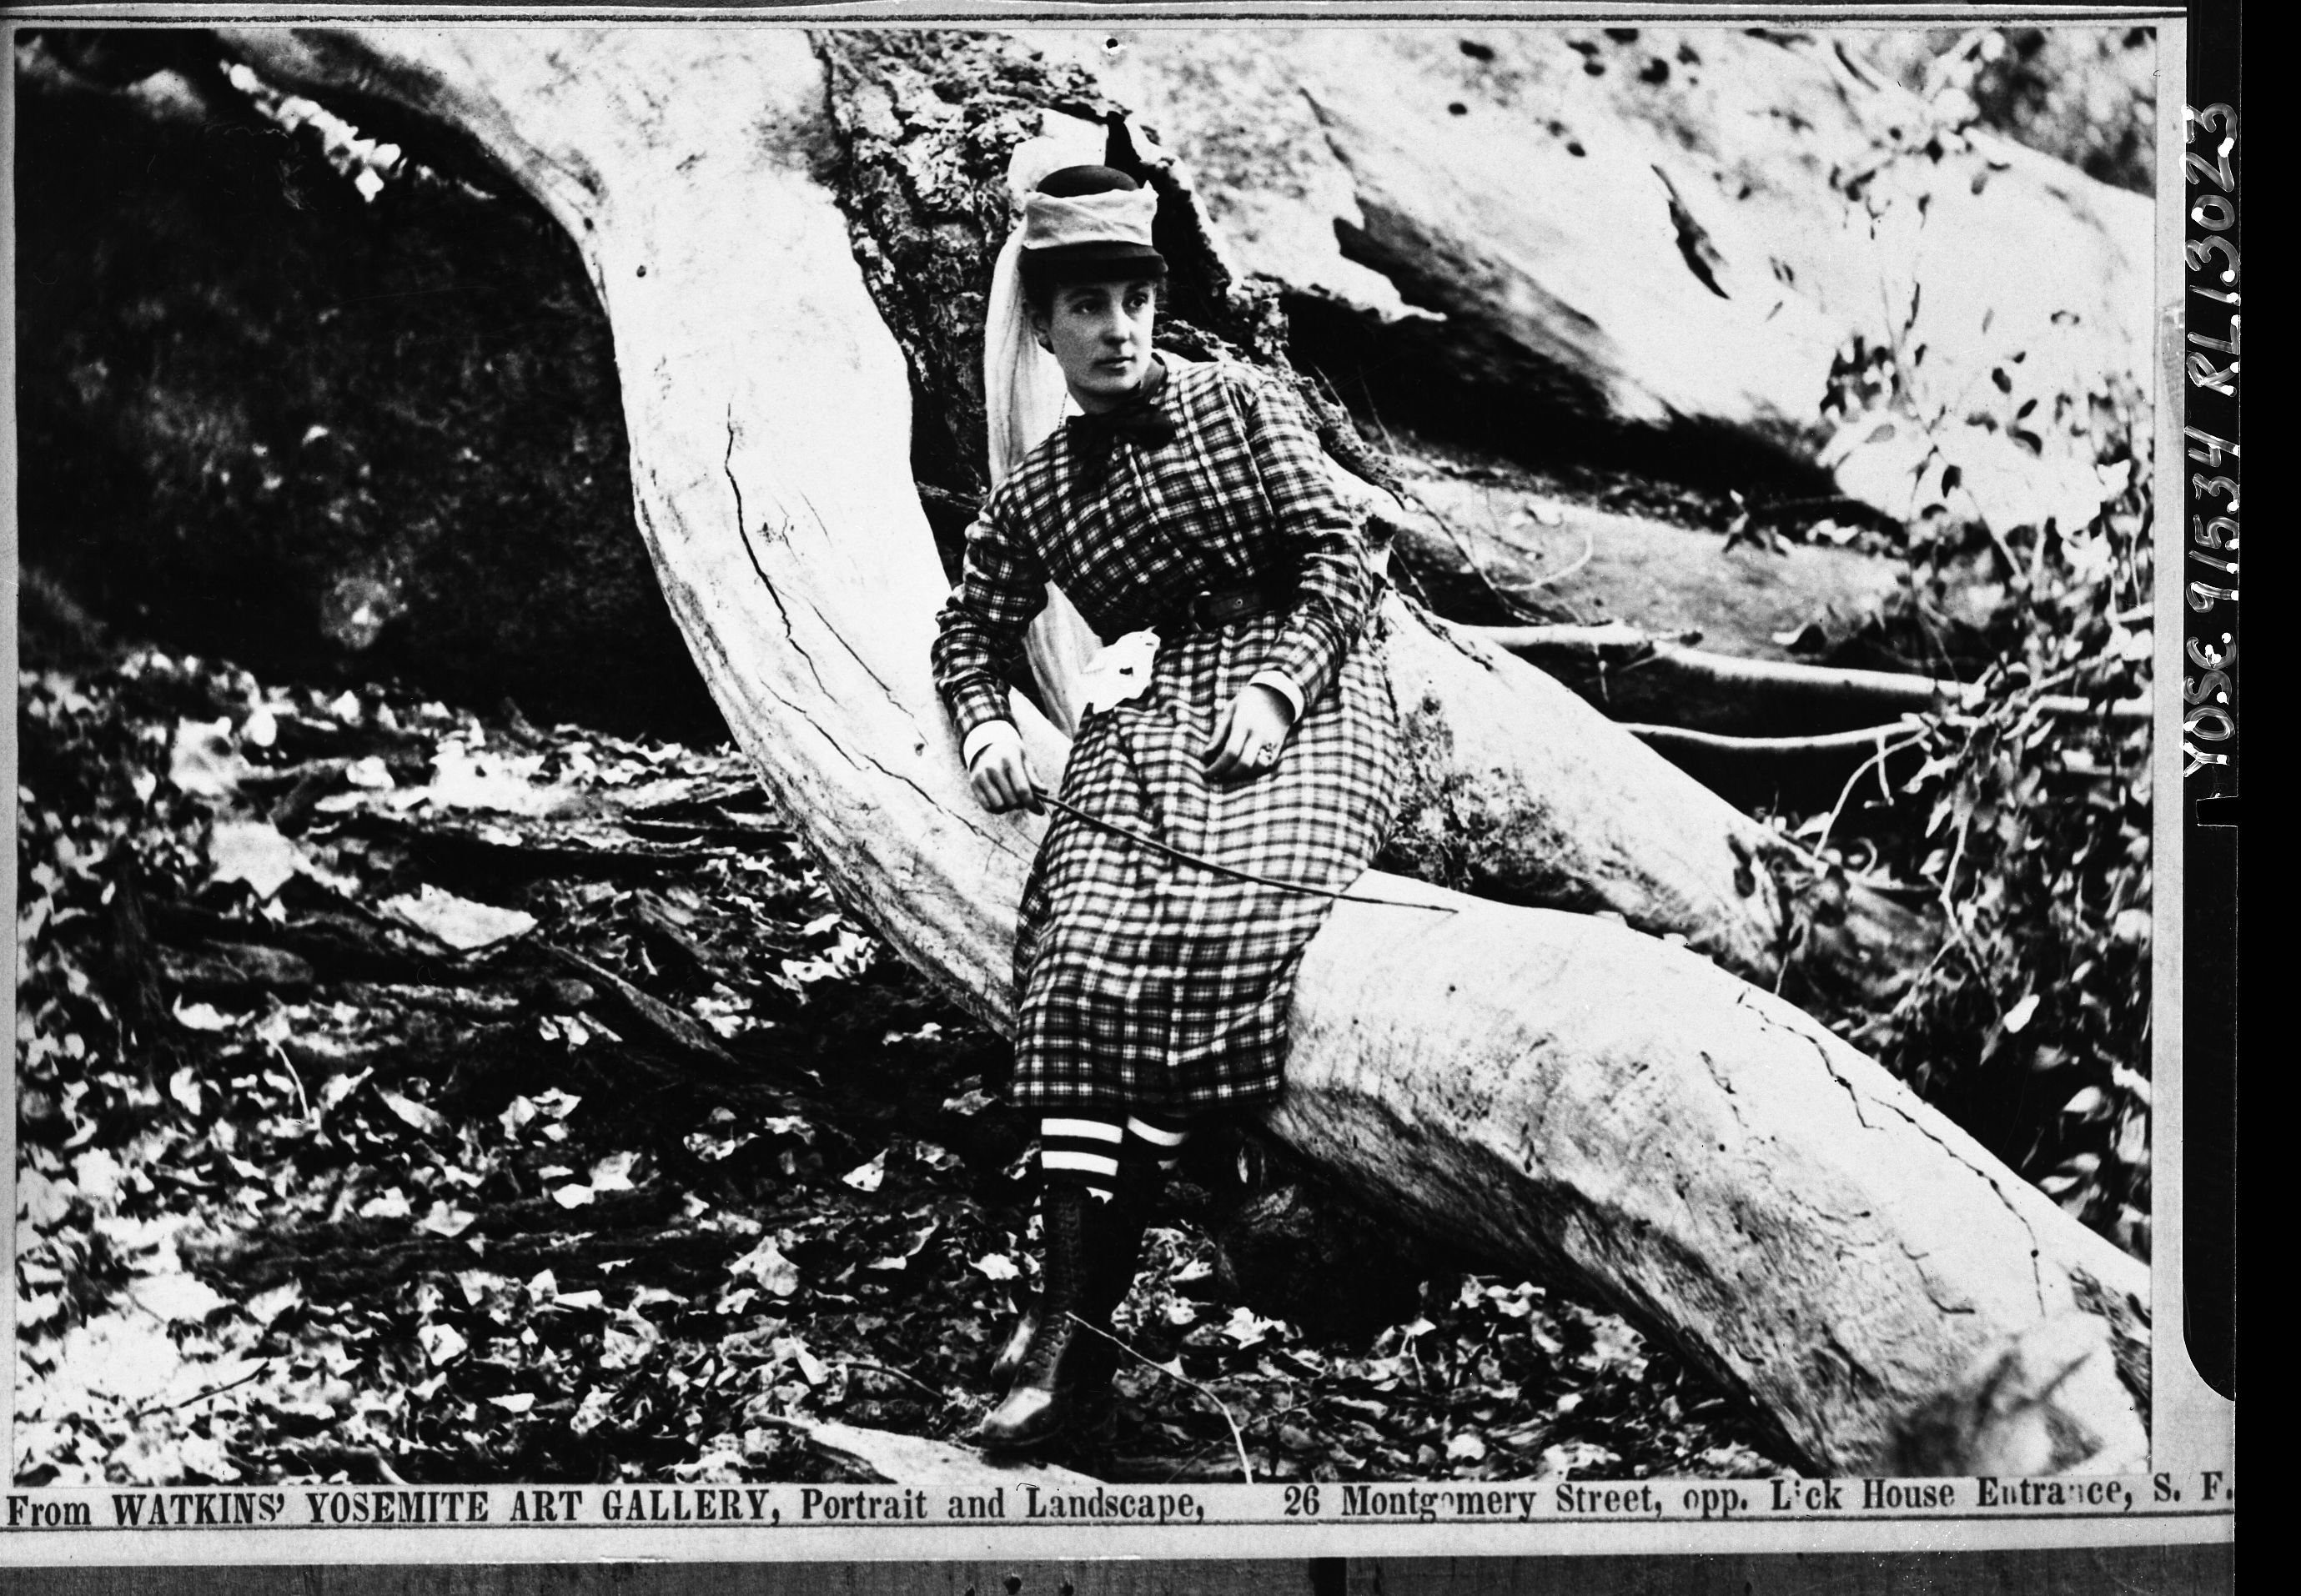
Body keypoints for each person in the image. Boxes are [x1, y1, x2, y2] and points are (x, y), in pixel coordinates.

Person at [930, 162, 1402, 1450]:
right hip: (1146, 708)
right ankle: (1074, 1343)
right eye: (1087, 305)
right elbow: (967, 629)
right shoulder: (1039, 489)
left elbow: (1338, 559)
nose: (1120, 328)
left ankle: (1067, 1338)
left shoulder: (1237, 404)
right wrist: (983, 725)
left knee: (1214, 915)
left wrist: (1282, 688)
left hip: (1305, 693)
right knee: (1077, 953)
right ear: (1045, 328)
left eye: (1135, 297)